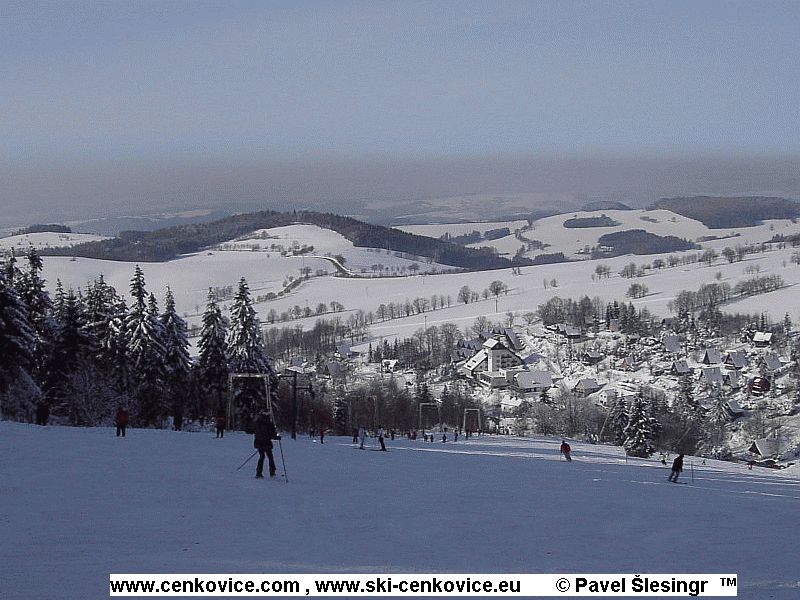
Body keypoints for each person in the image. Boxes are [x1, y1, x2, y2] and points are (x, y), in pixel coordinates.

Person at [253, 411, 281, 479]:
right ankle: (272, 472)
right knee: (270, 457)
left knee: (262, 456)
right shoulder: (269, 424)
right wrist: (277, 437)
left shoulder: (257, 423)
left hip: (258, 442)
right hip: (266, 443)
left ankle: (258, 472)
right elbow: (271, 434)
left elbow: (254, 430)